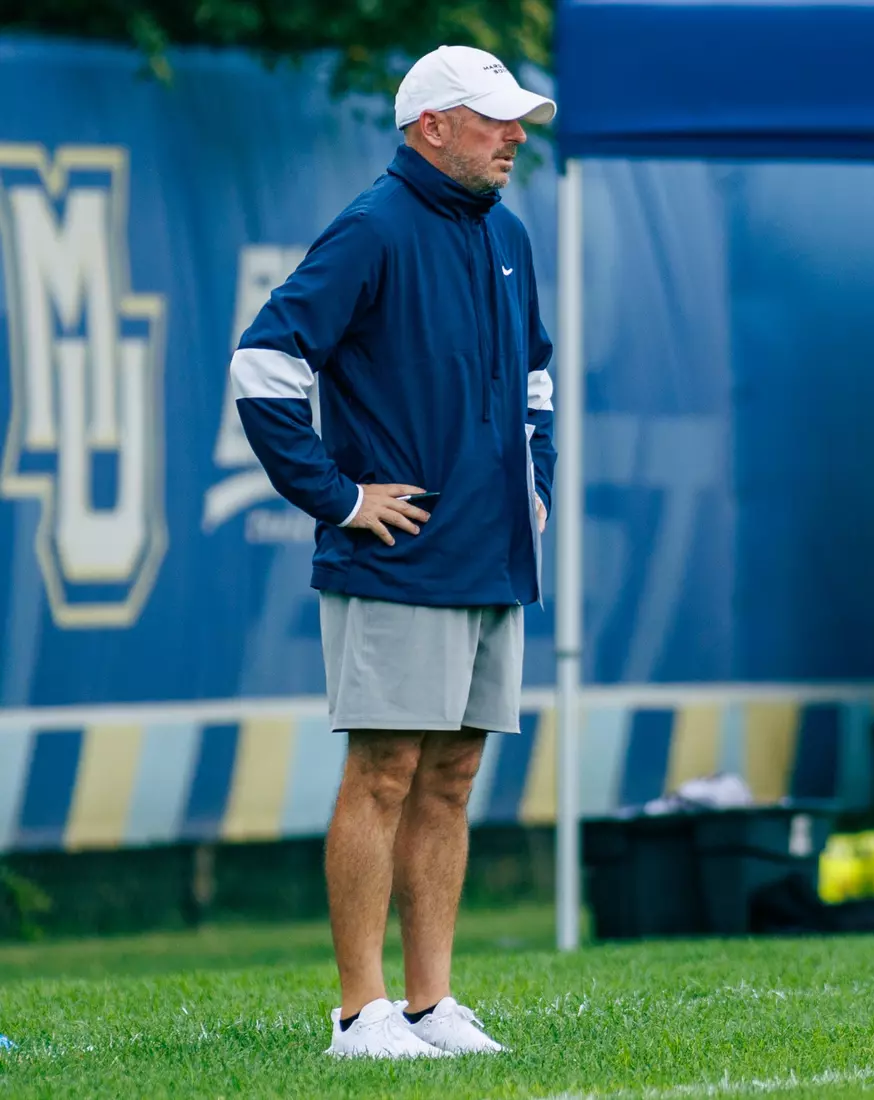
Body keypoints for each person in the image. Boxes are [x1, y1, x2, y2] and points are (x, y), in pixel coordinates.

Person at [231, 44, 557, 1059]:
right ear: (431, 127)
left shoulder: (506, 236)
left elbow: (536, 378)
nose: (512, 136)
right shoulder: (373, 226)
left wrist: (532, 481)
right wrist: (336, 497)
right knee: (384, 768)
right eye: (493, 118)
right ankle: (358, 1010)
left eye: (515, 118)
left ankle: (428, 1002)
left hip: (490, 553)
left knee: (452, 772)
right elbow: (263, 361)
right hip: (400, 556)